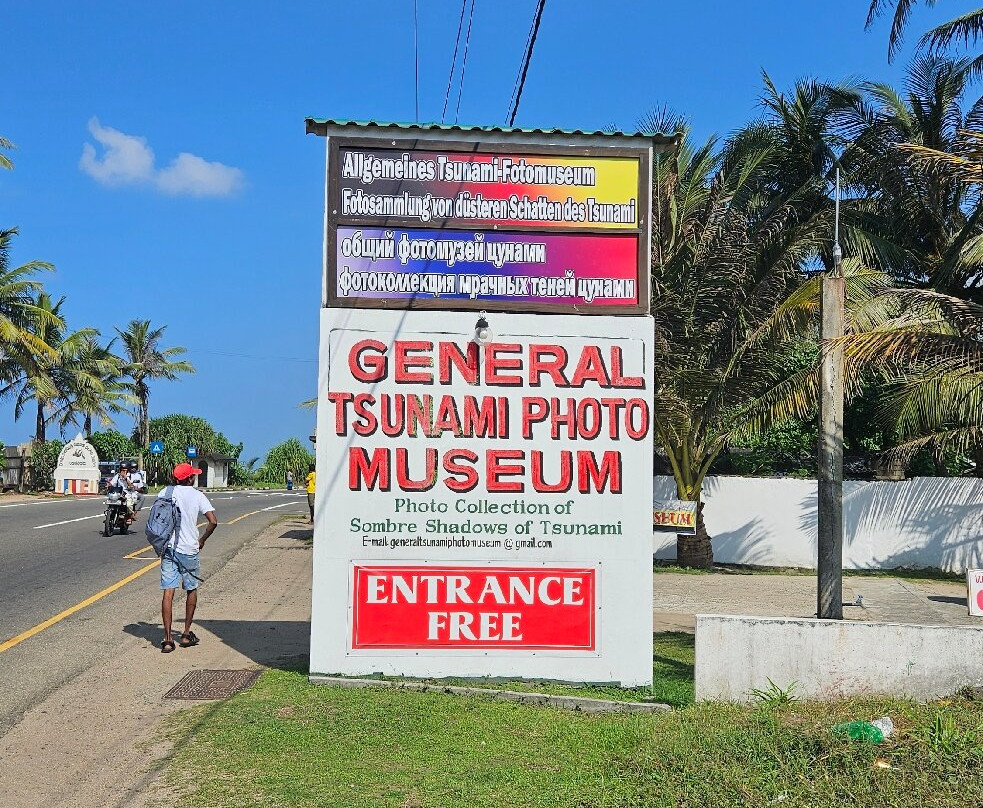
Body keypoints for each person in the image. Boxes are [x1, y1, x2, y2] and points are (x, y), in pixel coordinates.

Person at [160, 462, 218, 654]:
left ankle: (168, 640)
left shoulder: (165, 492)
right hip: (189, 549)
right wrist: (202, 540)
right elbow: (213, 521)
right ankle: (185, 634)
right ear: (190, 478)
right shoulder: (197, 495)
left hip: (169, 548)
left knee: (168, 591)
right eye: (193, 475)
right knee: (191, 588)